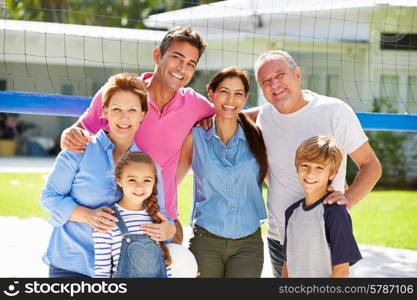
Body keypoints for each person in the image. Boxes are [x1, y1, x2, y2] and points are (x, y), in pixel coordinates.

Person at [60, 26, 215, 244]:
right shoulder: (122, 93)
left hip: (163, 219)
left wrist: (270, 110)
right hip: (118, 218)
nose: (182, 68)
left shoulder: (194, 104)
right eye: (177, 57)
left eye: (191, 64)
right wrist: (69, 134)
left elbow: (232, 116)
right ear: (157, 55)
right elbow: (78, 133)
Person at [252, 50, 382, 277]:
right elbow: (234, 114)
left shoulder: (334, 111)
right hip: (279, 237)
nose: (275, 84)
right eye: (266, 81)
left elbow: (371, 164)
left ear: (297, 74)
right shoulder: (265, 117)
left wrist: (347, 201)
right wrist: (207, 116)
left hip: (323, 236)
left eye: (280, 75)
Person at [41, 73, 175, 278]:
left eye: (132, 110)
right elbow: (49, 197)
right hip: (72, 265)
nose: (124, 117)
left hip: (125, 271)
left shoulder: (150, 167)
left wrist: (168, 231)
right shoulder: (79, 149)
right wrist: (88, 215)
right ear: (105, 112)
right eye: (116, 109)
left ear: (142, 114)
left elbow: (162, 216)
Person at [176, 67, 268, 278]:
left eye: (238, 93)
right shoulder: (195, 136)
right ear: (212, 94)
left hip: (248, 244)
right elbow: (173, 182)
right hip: (205, 240)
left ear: (245, 98)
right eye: (224, 91)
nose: (231, 99)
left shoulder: (258, 137)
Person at [282, 136, 362, 278]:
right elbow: (288, 264)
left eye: (319, 168)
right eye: (305, 165)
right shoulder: (291, 212)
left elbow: (342, 272)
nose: (310, 173)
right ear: (297, 168)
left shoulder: (335, 213)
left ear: (332, 173)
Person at [94, 152, 173, 278]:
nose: (139, 186)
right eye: (132, 180)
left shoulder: (156, 218)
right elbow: (101, 271)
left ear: (154, 183)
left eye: (147, 180)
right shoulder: (108, 220)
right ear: (119, 180)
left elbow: (164, 267)